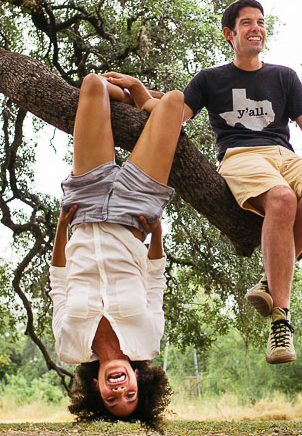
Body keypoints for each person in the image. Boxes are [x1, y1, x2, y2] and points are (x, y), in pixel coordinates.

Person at [181, 0, 302, 364]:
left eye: (261, 23)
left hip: (282, 155)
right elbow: (174, 114)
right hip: (241, 157)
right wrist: (137, 95)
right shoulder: (210, 79)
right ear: (230, 34)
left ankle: (269, 283)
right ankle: (280, 321)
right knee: (283, 199)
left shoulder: (284, 76)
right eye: (247, 23)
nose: (256, 28)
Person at [49, 72, 184, 427]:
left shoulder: (69, 347)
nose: (119, 390)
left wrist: (62, 226)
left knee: (92, 84)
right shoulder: (149, 341)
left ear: (96, 387)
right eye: (130, 395)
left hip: (84, 209)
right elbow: (155, 281)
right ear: (139, 381)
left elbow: (58, 282)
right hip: (134, 216)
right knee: (173, 103)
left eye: (112, 398)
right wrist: (156, 235)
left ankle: (121, 100)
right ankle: (138, 96)